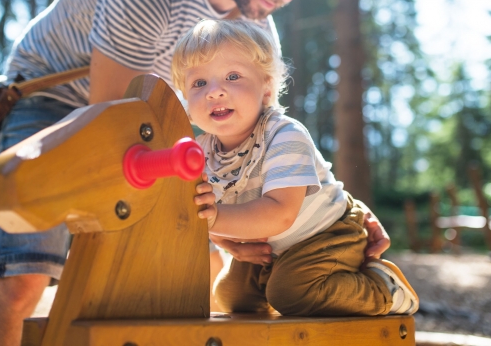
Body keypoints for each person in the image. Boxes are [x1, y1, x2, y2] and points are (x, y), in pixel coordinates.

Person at [0, 0, 391, 344]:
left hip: (147, 126)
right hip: (55, 104)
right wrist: (214, 225)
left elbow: (267, 143)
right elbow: (111, 128)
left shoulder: (255, 25)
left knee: (199, 268)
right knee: (23, 280)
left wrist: (337, 214)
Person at [171, 19, 418, 316]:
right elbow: (200, 213)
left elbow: (280, 212)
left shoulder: (283, 134)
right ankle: (286, 308)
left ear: (266, 88)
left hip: (326, 233)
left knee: (291, 291)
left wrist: (216, 218)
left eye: (232, 76)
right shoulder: (202, 152)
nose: (214, 92)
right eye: (199, 83)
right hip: (274, 248)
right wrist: (214, 227)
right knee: (231, 297)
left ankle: (383, 290)